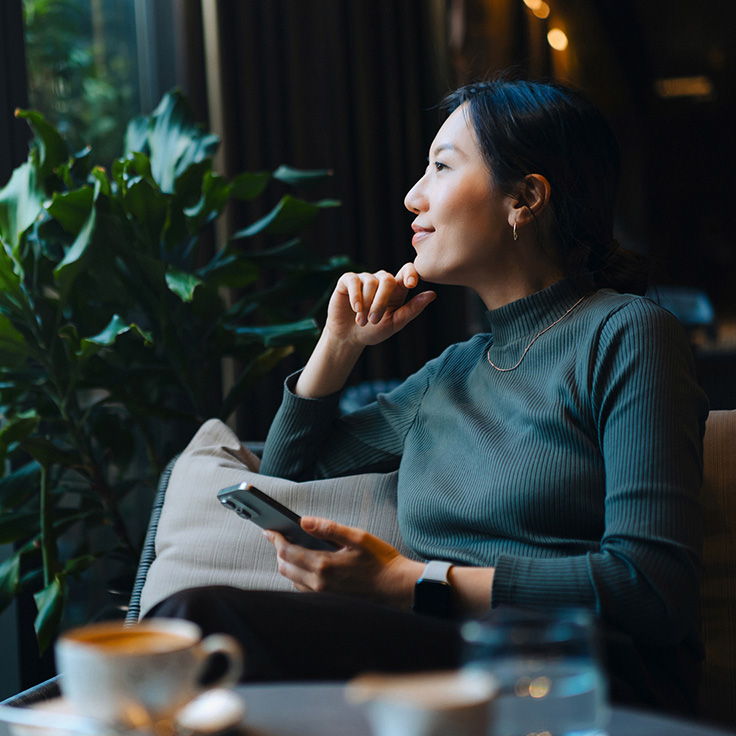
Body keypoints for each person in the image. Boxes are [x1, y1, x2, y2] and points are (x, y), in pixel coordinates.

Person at [149, 78, 709, 714]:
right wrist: (338, 345)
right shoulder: (449, 375)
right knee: (185, 641)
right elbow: (286, 477)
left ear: (525, 198)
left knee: (202, 622)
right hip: (444, 656)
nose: (414, 196)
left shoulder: (629, 334)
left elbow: (654, 591)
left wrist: (408, 583)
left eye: (442, 167)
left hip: (582, 669)